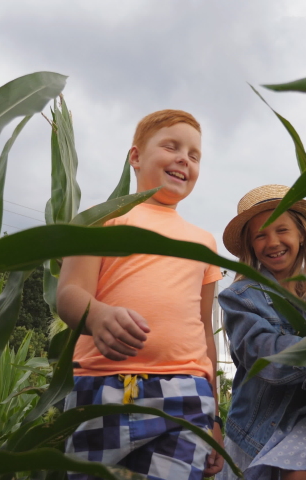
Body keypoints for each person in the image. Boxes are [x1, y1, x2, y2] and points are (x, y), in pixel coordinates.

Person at [56, 110, 224, 480]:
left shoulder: (204, 242)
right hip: (102, 385)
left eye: (195, 155)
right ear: (135, 157)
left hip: (186, 392)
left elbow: (204, 332)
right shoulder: (101, 220)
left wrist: (214, 419)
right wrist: (97, 315)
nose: (185, 158)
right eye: (171, 146)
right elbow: (68, 294)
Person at [218, 184, 306, 480]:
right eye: (260, 235)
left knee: (302, 470)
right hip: (258, 422)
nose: (272, 242)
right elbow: (258, 349)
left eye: (281, 230)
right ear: (250, 245)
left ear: (300, 233)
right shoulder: (240, 297)